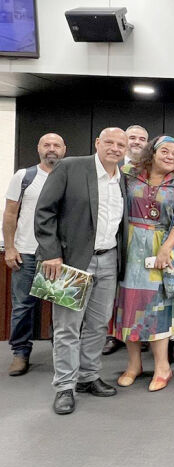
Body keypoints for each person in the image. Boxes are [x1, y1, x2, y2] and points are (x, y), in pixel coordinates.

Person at [35, 127, 129, 415]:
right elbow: (44, 212)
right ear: (98, 143)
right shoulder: (70, 167)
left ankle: (88, 377)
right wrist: (51, 254)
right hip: (71, 260)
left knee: (98, 326)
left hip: (109, 259)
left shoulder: (122, 179)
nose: (115, 148)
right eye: (110, 142)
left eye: (121, 144)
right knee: (67, 328)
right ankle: (65, 385)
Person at [112, 136, 174, 392]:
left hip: (162, 248)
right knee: (129, 306)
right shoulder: (129, 173)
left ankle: (163, 367)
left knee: (158, 309)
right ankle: (134, 365)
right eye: (165, 151)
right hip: (130, 246)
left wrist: (166, 248)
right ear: (152, 152)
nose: (170, 157)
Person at [4, 132, 66, 376]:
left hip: (59, 256)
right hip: (27, 253)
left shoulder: (69, 176)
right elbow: (10, 213)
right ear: (39, 148)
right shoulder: (24, 176)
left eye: (56, 145)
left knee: (62, 308)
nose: (52, 149)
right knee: (22, 307)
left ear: (64, 149)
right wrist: (10, 247)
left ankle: (60, 352)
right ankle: (20, 352)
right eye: (47, 145)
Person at [104, 123, 150, 355]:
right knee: (113, 291)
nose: (137, 142)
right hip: (113, 240)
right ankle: (114, 335)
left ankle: (137, 333)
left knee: (137, 290)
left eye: (142, 139)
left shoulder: (148, 173)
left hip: (140, 240)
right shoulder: (112, 169)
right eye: (132, 138)